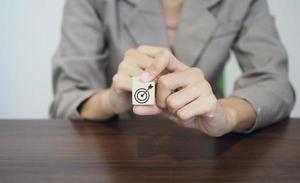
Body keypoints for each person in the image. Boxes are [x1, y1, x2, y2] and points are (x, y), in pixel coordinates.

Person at [50, 0, 295, 137]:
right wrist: (109, 101)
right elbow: (68, 97)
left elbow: (275, 84)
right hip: (118, 144)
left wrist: (228, 115)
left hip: (208, 144)